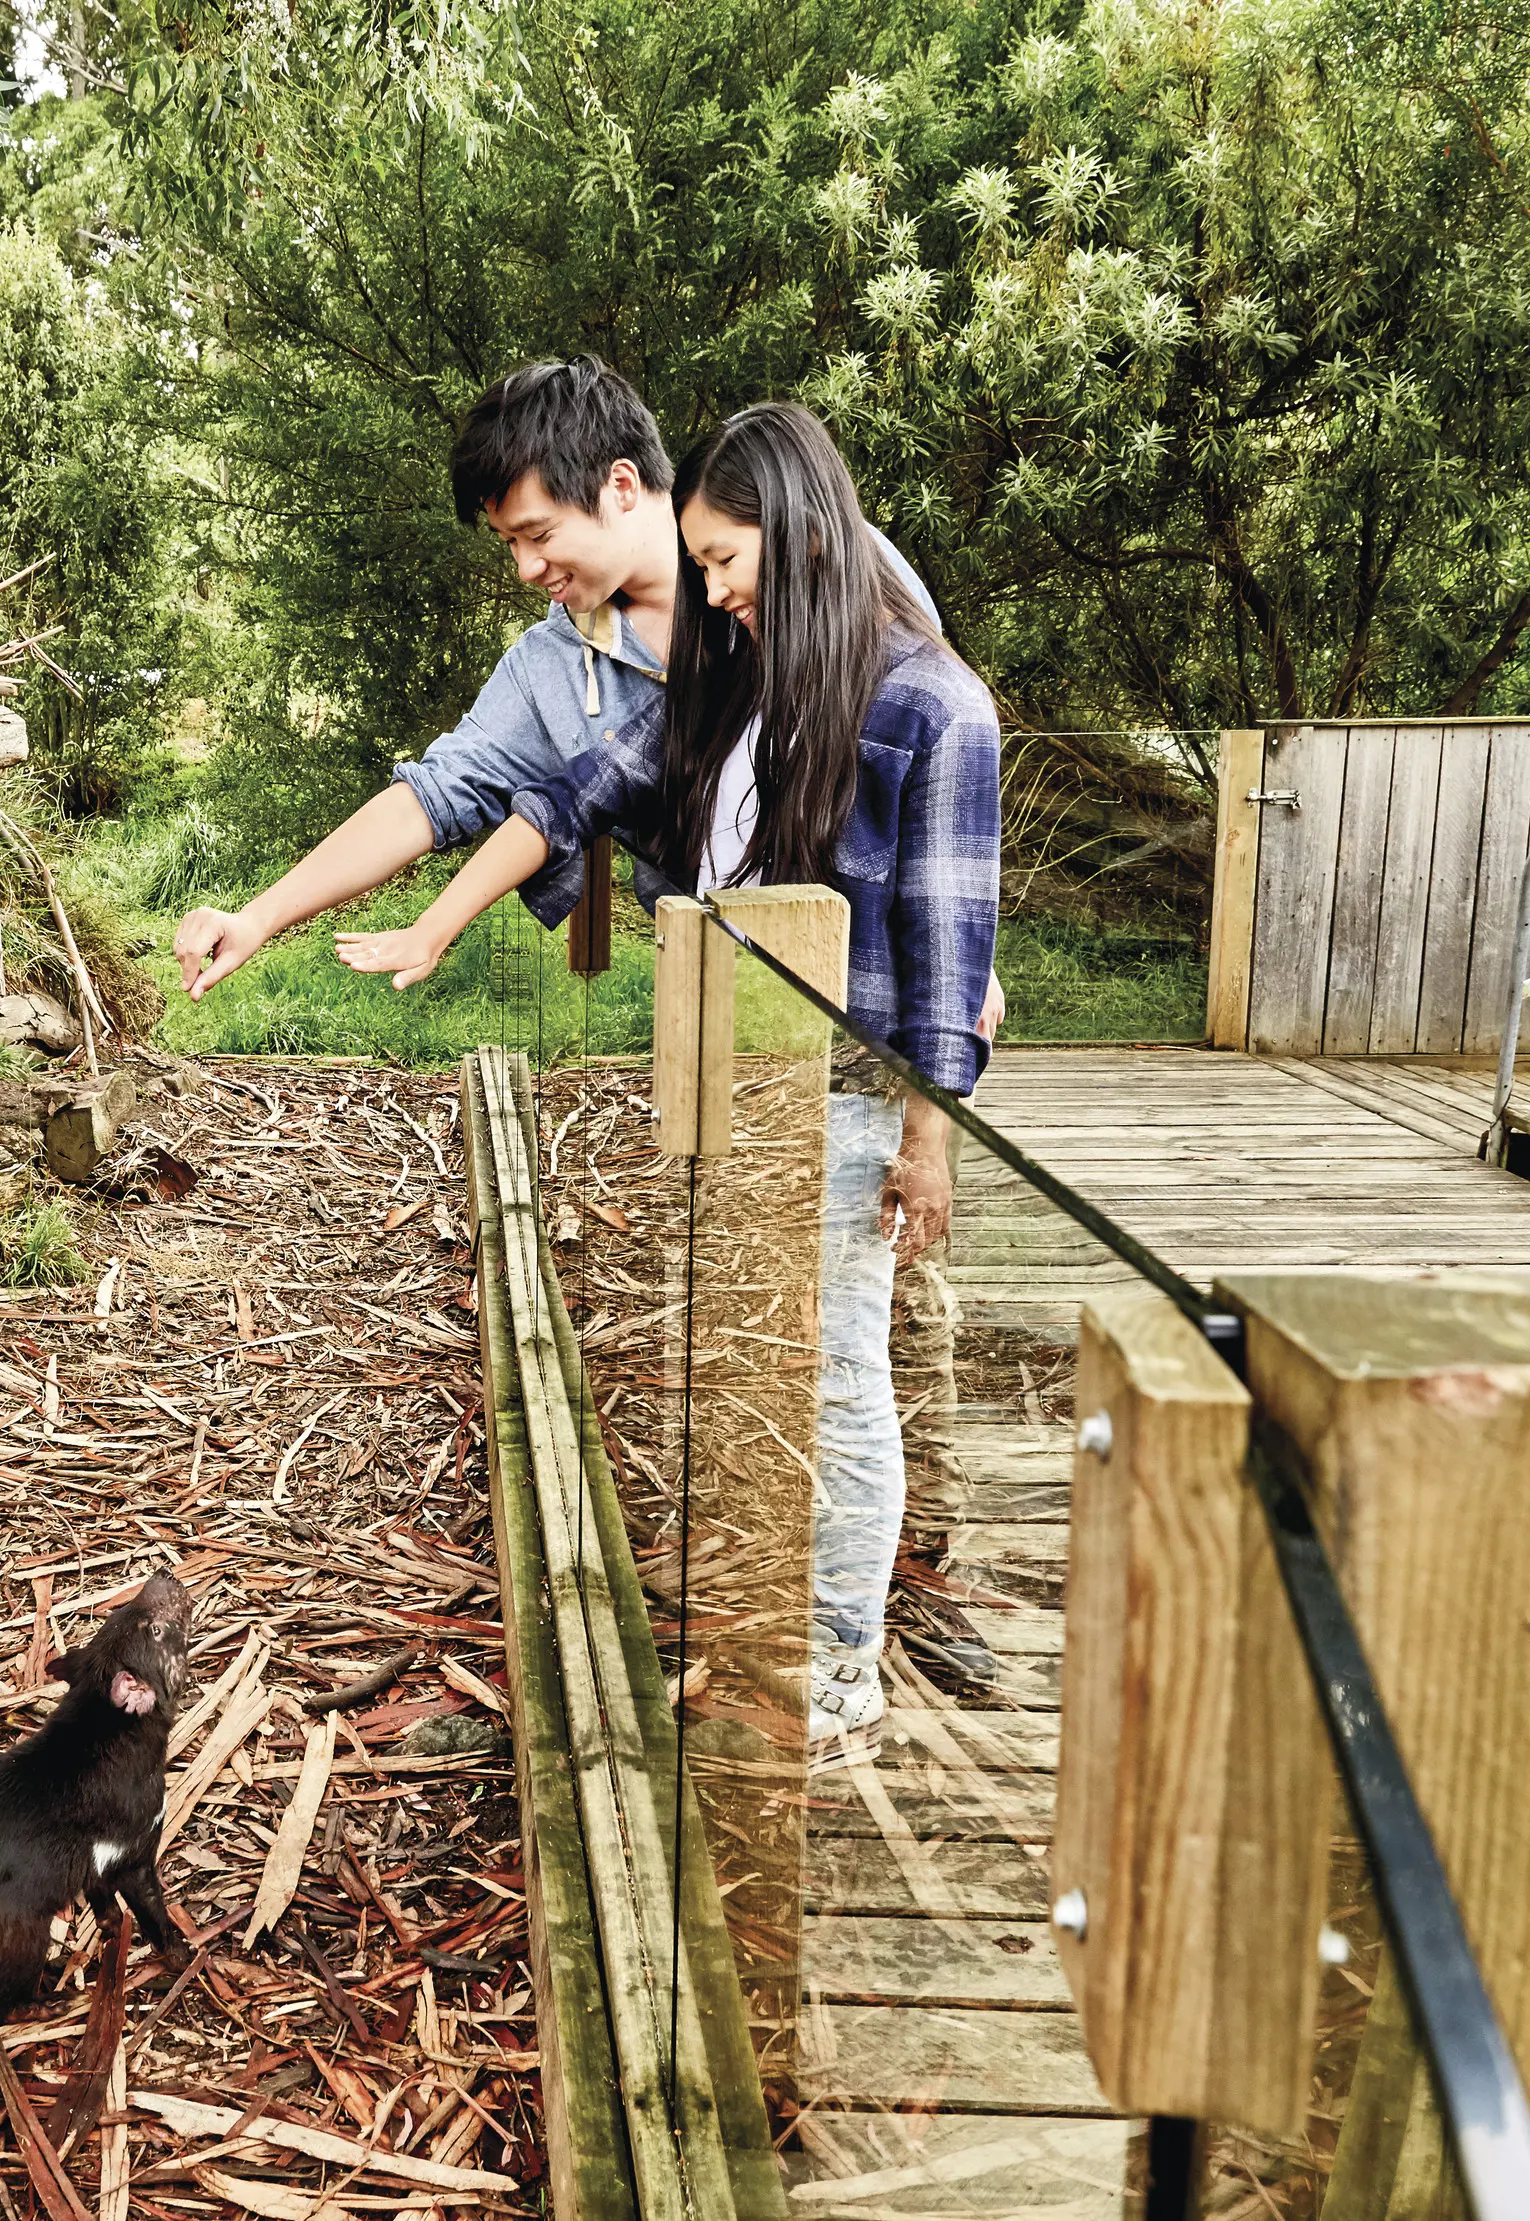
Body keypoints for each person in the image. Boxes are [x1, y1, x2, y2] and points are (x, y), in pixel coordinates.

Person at [330, 399, 999, 1758]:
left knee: (840, 1373)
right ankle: (773, 1638)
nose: (708, 591)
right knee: (756, 1373)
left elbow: (947, 954)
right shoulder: (739, 681)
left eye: (726, 561)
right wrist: (434, 924)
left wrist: (928, 1138)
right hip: (741, 1077)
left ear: (803, 539)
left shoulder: (929, 702)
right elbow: (556, 800)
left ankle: (842, 1662)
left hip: (850, 1094)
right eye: (696, 566)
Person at [169, 357, 942, 999]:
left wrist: (958, 956)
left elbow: (930, 747)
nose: (525, 567)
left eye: (537, 534)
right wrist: (258, 916)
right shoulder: (548, 668)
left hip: (875, 969)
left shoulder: (821, 553)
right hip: (720, 987)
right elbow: (431, 796)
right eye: (508, 542)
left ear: (621, 486)